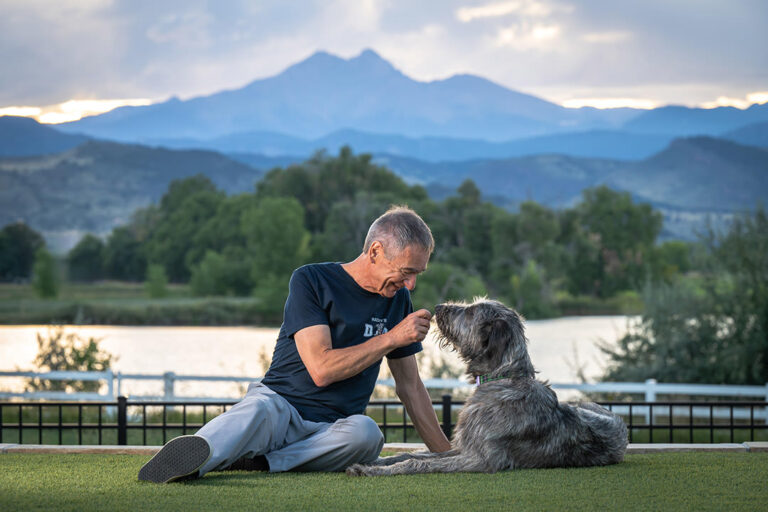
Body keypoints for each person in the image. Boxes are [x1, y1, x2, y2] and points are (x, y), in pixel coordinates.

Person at [138, 205, 452, 483]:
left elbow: (410, 387)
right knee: (255, 411)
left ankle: (260, 463)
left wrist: (451, 457)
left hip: (333, 430)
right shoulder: (312, 280)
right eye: (406, 272)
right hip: (281, 407)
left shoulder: (398, 300)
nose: (411, 284)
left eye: (417, 275)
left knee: (367, 434)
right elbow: (321, 369)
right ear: (374, 252)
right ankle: (197, 456)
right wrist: (392, 337)